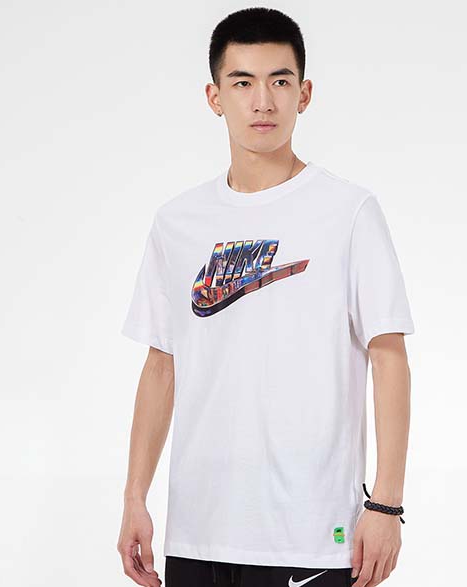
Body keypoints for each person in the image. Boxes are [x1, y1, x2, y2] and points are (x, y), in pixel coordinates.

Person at [117, 7, 415, 587]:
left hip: (311, 533)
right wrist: (135, 498)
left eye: (280, 81)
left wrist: (386, 504)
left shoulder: (348, 211)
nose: (262, 102)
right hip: (197, 531)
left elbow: (389, 357)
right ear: (214, 97)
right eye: (242, 83)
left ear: (304, 94)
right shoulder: (178, 222)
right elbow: (161, 366)